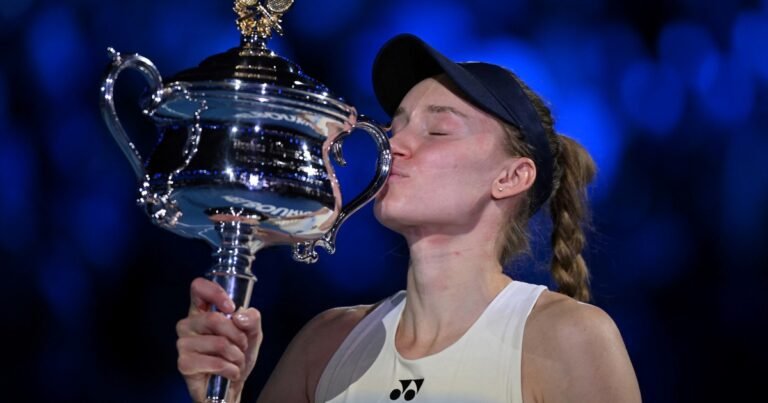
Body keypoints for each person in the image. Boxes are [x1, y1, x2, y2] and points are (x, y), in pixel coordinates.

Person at [175, 33, 642, 403]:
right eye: (393, 126)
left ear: (510, 176)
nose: (392, 145)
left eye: (438, 129)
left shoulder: (569, 339)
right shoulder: (324, 344)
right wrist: (223, 394)